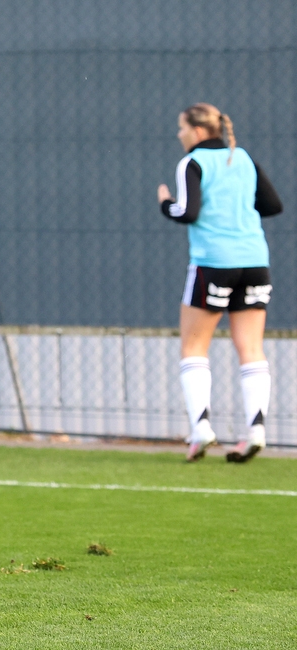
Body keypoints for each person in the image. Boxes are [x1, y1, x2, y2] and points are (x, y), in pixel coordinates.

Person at [157, 103, 283, 463]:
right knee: (251, 348)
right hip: (255, 261)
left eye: (182, 128)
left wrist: (165, 203)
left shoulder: (192, 163)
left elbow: (187, 212)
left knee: (194, 345)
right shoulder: (242, 158)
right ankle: (256, 431)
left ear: (197, 131)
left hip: (214, 263)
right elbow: (272, 205)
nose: (179, 134)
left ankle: (201, 430)